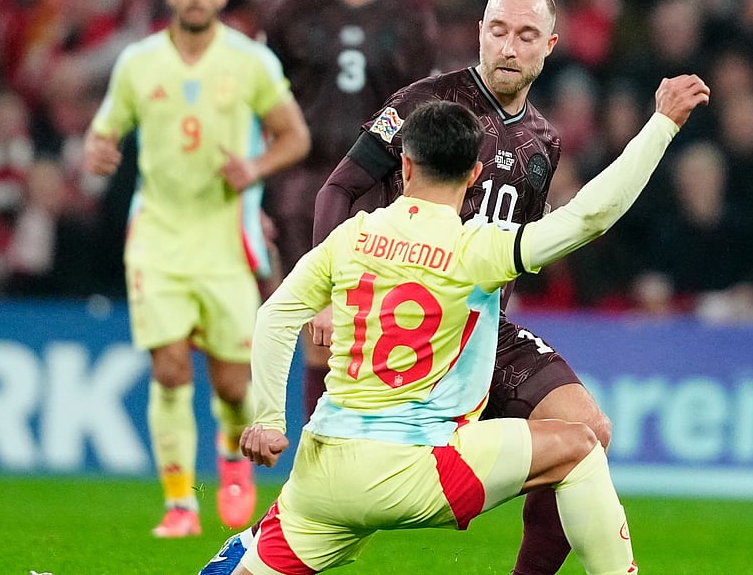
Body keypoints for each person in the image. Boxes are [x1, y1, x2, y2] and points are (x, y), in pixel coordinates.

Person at [200, 81, 709, 574]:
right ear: (474, 174)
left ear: (404, 163)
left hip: (322, 472)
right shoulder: (476, 249)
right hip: (416, 469)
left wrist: (268, 420)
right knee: (579, 445)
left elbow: (273, 318)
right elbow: (589, 217)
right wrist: (661, 124)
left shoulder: (350, 236)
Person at [309, 0, 608, 573]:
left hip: (481, 330)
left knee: (588, 430)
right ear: (480, 32)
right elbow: (338, 189)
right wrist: (328, 295)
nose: (508, 47)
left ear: (549, 46)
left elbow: (523, 246)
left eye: (525, 36)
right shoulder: (427, 102)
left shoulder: (544, 143)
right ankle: (271, 538)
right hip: (407, 323)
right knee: (342, 505)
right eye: (498, 31)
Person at [84, 0, 310, 538]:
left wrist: (255, 169)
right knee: (170, 370)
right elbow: (101, 135)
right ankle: (180, 503)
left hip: (226, 241)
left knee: (234, 384)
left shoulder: (250, 62)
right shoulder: (138, 63)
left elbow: (295, 137)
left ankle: (233, 455)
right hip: (156, 237)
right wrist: (99, 152)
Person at [260, 0, 438, 418]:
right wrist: (257, 200)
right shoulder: (291, 14)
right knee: (321, 331)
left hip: (383, 192)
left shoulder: (411, 19)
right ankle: (317, 461)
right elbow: (260, 107)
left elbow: (424, 112)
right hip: (304, 192)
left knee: (381, 332)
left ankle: (369, 455)